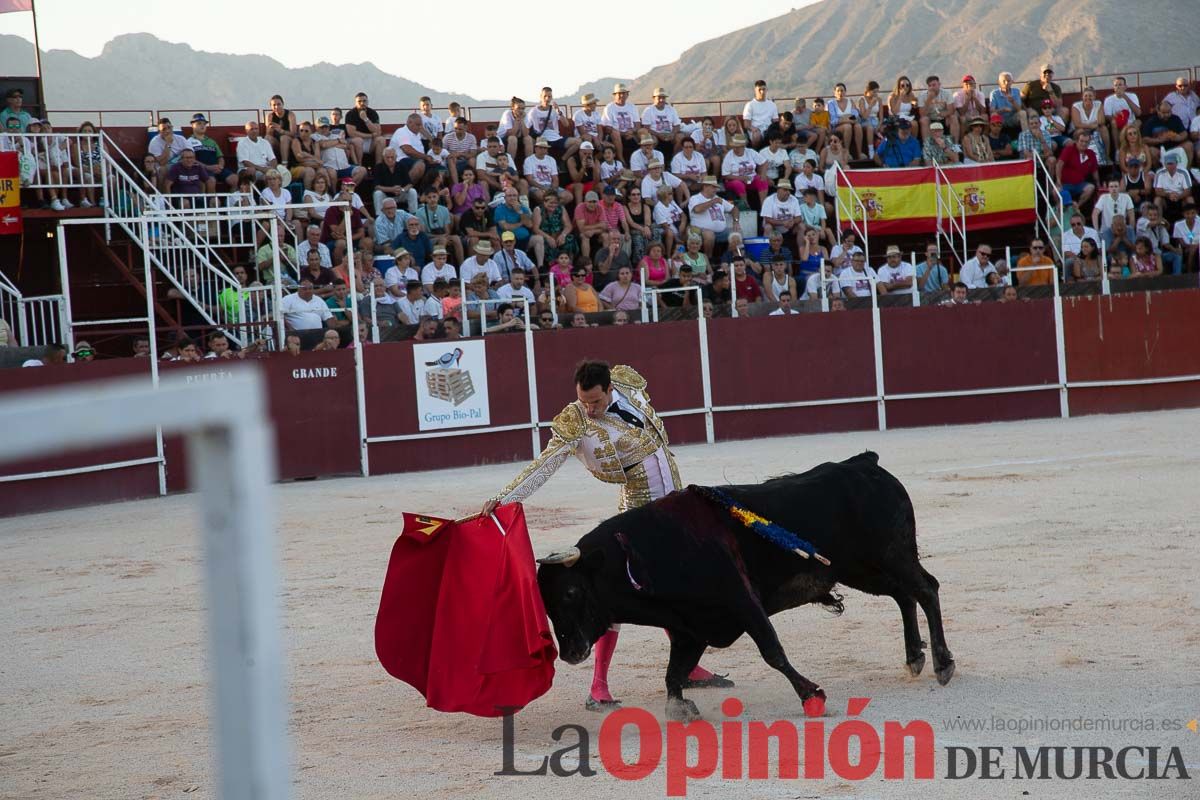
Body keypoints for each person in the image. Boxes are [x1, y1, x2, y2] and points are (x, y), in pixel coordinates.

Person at [480, 361, 732, 710]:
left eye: (595, 402)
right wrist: (506, 498)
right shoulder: (576, 420)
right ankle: (598, 686)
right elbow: (545, 464)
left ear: (610, 388)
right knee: (616, 592)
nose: (589, 409)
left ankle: (688, 666)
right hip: (637, 514)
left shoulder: (628, 385)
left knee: (673, 589)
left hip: (674, 506)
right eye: (584, 401)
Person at [742, 79, 779, 147]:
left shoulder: (772, 105)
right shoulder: (750, 105)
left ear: (766, 90)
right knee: (756, 135)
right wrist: (754, 129)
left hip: (769, 130)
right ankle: (756, 151)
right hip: (755, 130)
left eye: (764, 89)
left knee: (776, 136)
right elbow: (746, 124)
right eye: (759, 90)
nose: (762, 92)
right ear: (755, 90)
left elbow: (776, 122)